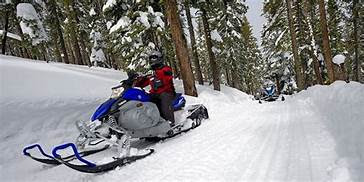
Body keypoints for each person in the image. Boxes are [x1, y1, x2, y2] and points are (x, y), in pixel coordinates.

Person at [134, 50, 176, 126]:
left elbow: (167, 77)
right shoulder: (152, 73)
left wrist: (155, 74)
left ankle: (170, 121)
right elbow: (142, 83)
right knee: (144, 100)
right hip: (154, 94)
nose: (152, 60)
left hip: (166, 92)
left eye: (154, 58)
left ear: (159, 59)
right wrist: (135, 82)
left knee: (164, 98)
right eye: (151, 58)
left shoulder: (165, 69)